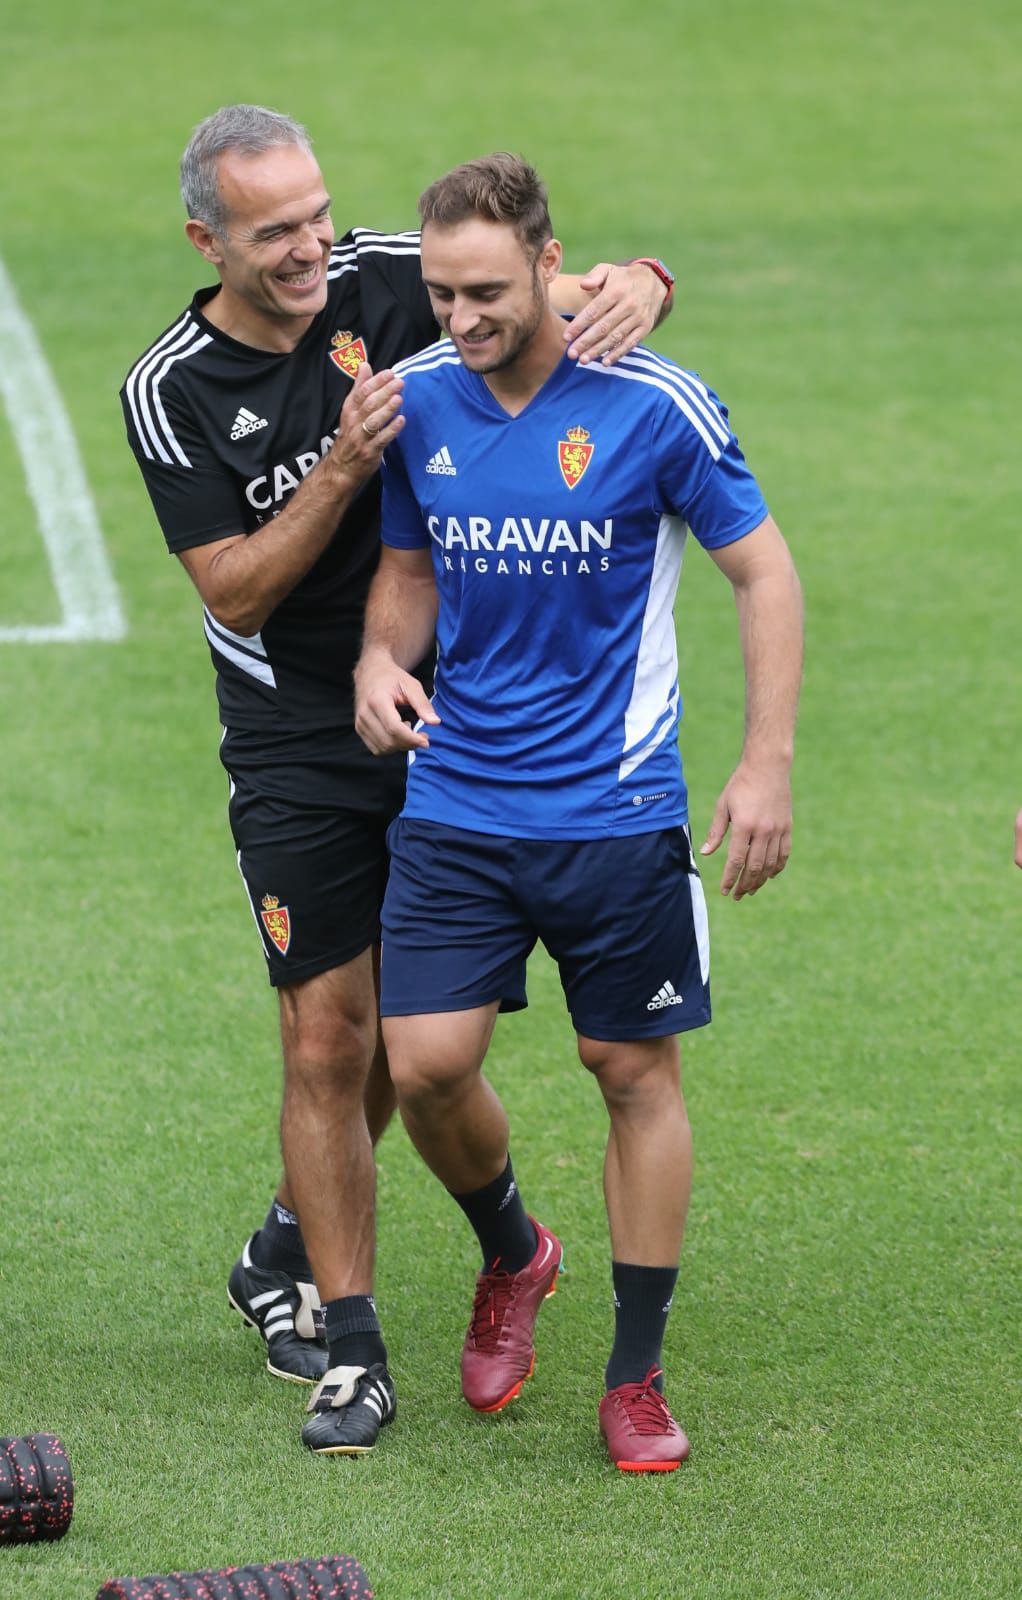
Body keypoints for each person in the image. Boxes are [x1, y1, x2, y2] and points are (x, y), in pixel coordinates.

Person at [120, 105, 674, 1456]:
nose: (313, 246)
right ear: (208, 241)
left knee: (403, 1045)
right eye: (274, 232)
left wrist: (642, 285)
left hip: (449, 710)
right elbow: (235, 594)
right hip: (299, 738)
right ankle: (355, 1352)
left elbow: (562, 282)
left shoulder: (386, 272)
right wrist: (345, 461)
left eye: (317, 213)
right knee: (327, 1036)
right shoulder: (173, 389)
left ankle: (294, 1245)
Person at [353, 153, 803, 1472]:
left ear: (552, 265)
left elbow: (761, 574)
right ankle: (513, 1251)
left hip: (612, 811)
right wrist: (384, 659)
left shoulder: (655, 404)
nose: (459, 319)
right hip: (456, 805)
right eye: (439, 294)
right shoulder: (421, 403)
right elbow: (403, 569)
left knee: (629, 1074)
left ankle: (635, 1374)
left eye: (483, 291)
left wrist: (762, 761)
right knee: (425, 1067)